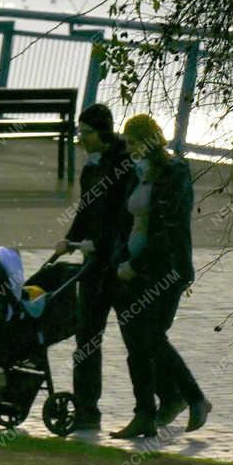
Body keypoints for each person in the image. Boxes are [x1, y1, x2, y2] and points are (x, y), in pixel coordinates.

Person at [109, 112, 210, 439]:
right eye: (128, 143)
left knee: (151, 335)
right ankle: (145, 412)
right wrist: (121, 260)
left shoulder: (174, 174)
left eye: (135, 142)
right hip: (132, 268)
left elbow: (170, 229)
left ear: (151, 140)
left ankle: (193, 397)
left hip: (165, 271)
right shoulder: (135, 173)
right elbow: (127, 223)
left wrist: (135, 266)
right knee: (135, 342)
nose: (131, 149)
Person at [51, 101, 134, 433]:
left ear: (103, 133)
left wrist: (100, 246)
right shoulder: (91, 167)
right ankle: (87, 410)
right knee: (87, 337)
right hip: (92, 265)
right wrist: (69, 240)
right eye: (79, 132)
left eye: (85, 133)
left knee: (137, 339)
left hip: (117, 264)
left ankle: (156, 404)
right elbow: (86, 211)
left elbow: (122, 217)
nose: (80, 139)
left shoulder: (124, 166)